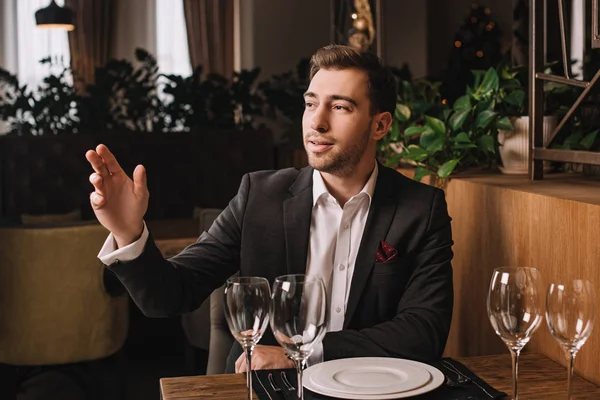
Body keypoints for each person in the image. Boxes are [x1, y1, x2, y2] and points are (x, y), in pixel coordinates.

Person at [85, 44, 454, 374]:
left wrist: (304, 354)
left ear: (380, 125)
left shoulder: (421, 209)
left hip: (371, 387)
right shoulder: (259, 196)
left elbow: (423, 332)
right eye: (311, 103)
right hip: (264, 384)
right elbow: (170, 295)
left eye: (340, 106)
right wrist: (128, 231)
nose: (317, 121)